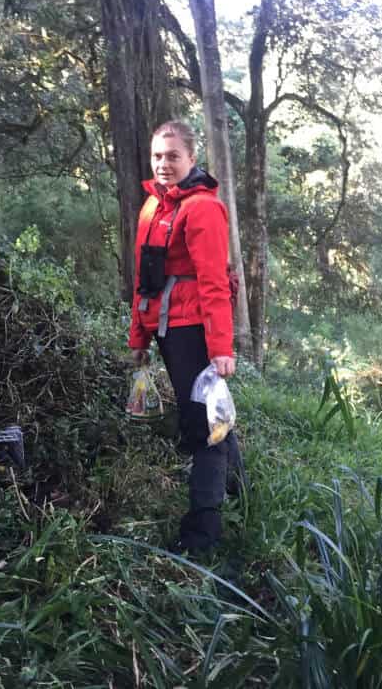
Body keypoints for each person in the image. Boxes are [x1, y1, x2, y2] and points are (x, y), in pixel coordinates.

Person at [128, 120, 245, 555]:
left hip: (194, 332)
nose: (164, 163)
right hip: (165, 331)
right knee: (211, 418)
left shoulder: (203, 209)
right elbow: (144, 279)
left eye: (173, 156)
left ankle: (201, 537)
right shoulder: (150, 208)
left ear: (191, 159)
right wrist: (138, 336)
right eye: (158, 155)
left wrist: (221, 350)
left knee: (204, 431)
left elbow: (214, 282)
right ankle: (241, 493)